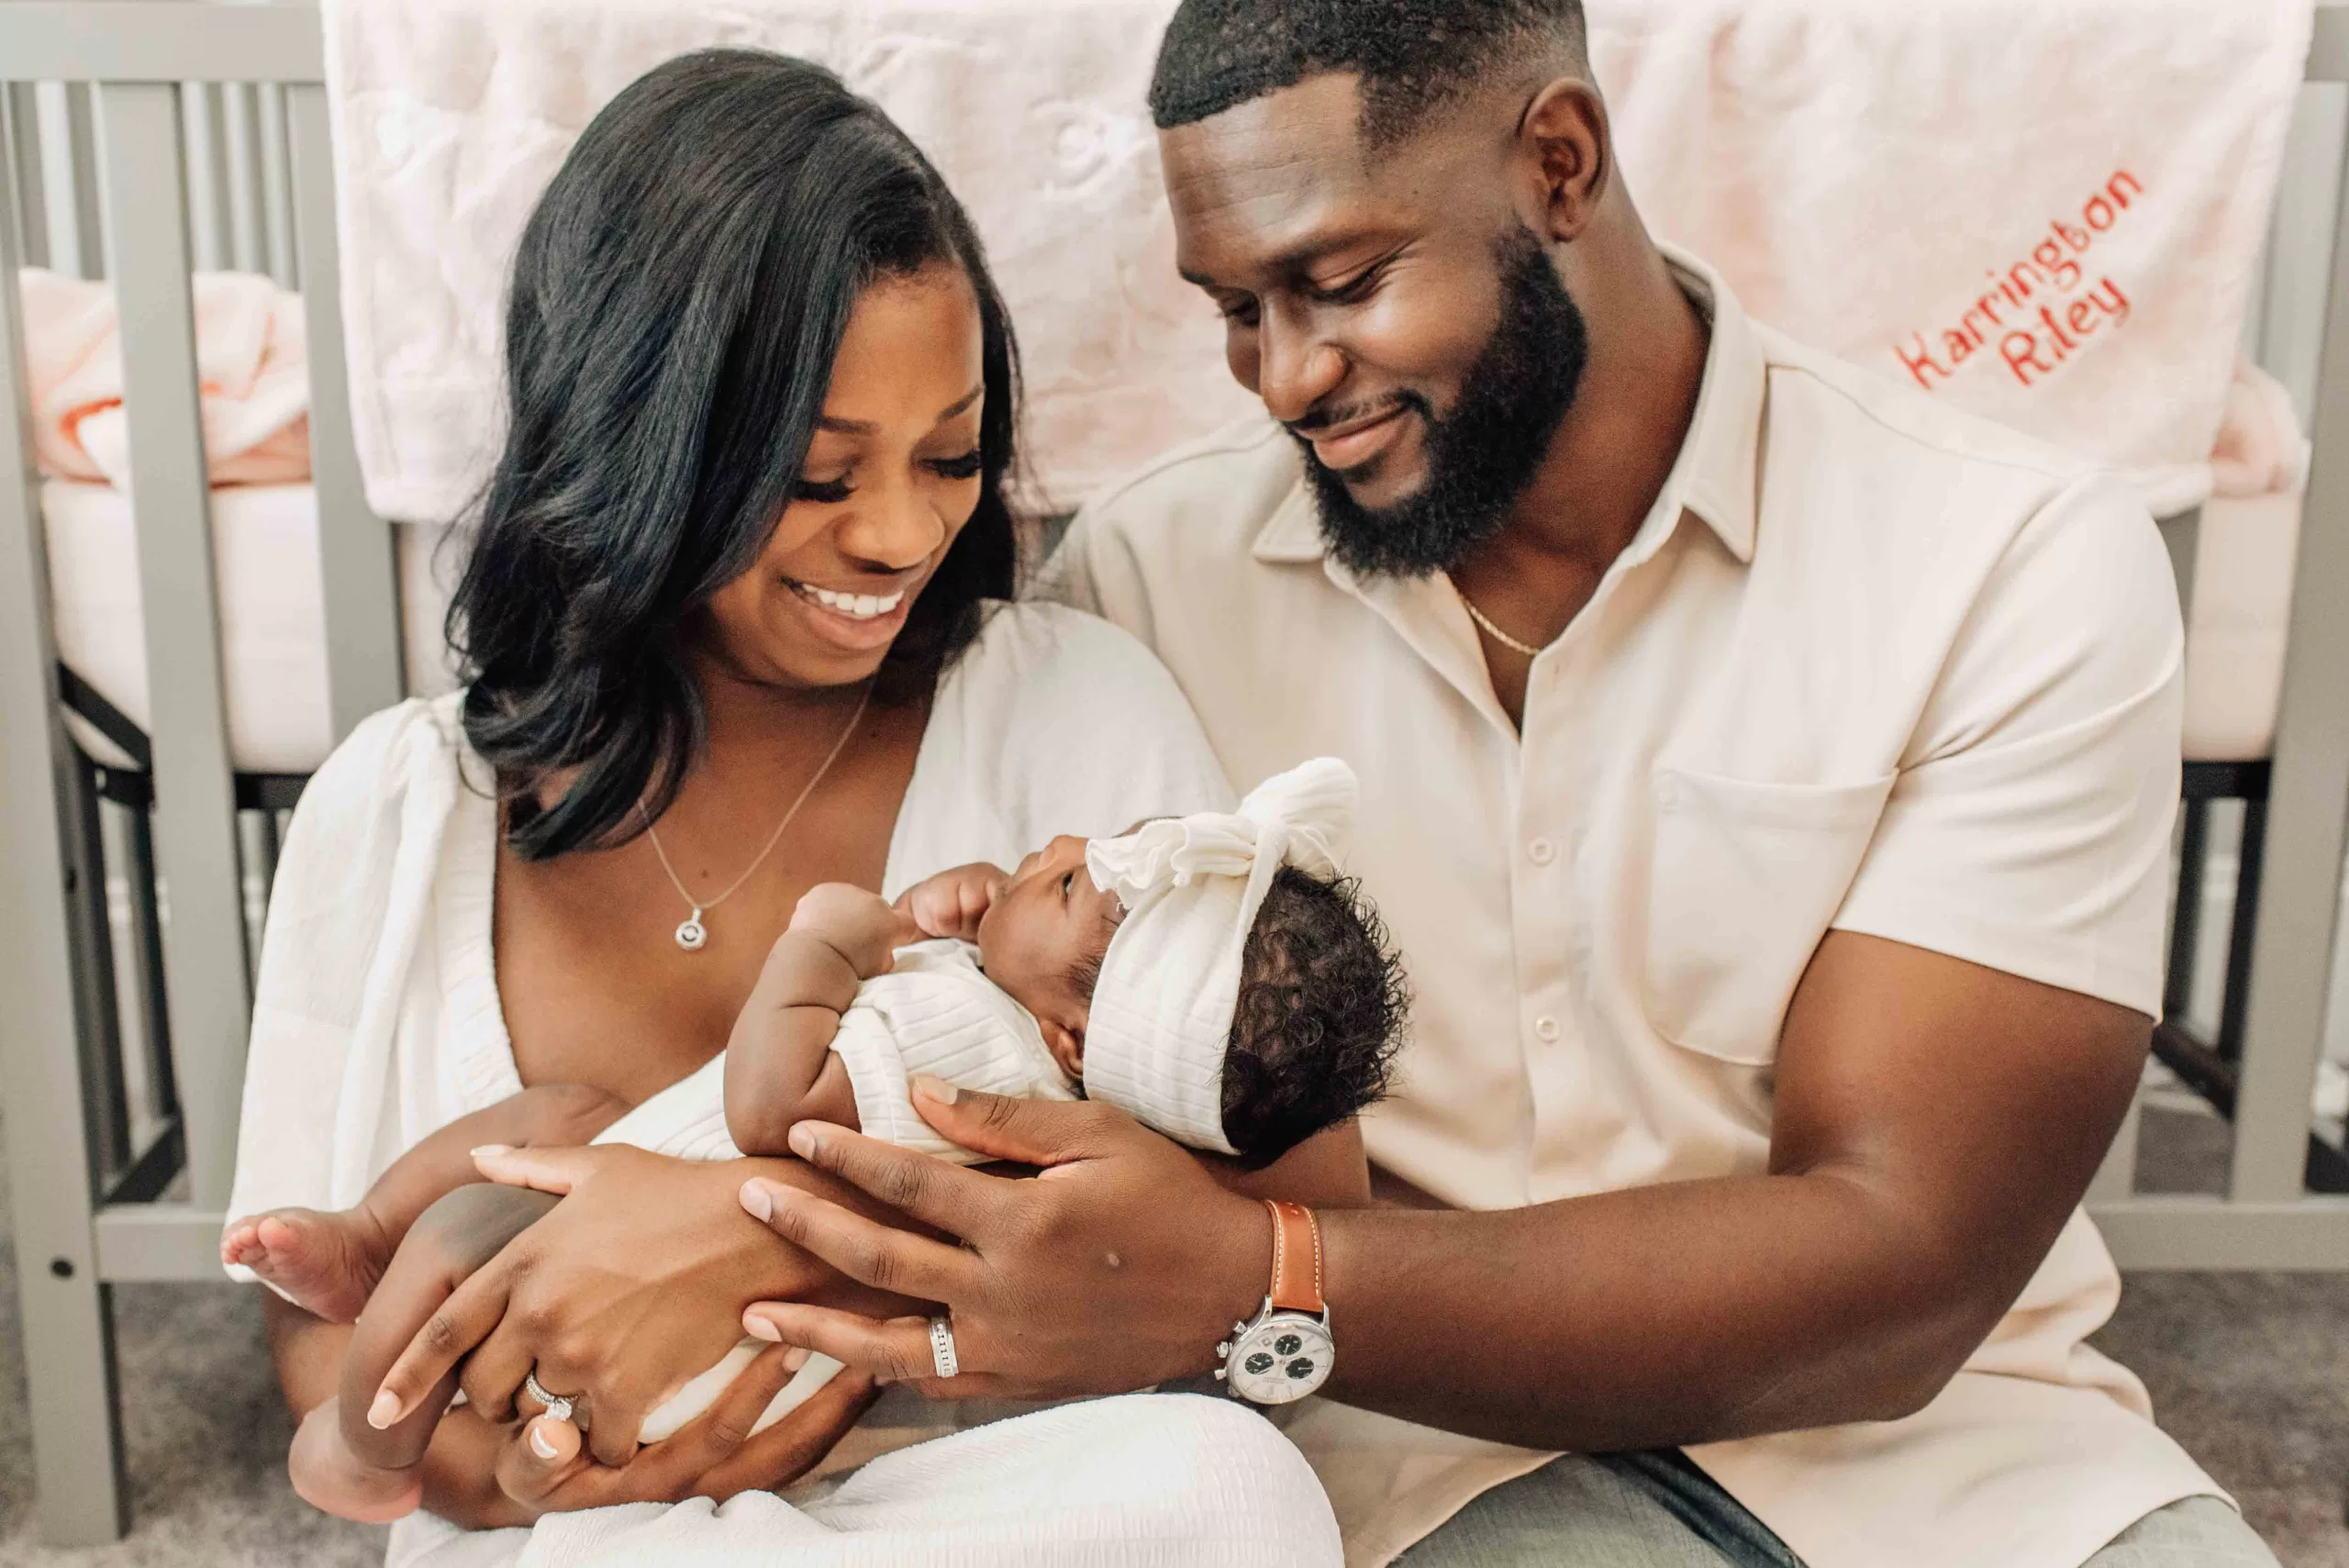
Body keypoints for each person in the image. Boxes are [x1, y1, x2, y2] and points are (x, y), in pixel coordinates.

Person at [369, 4, 2277, 1566]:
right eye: (1230, 309)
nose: (1284, 377)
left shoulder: (2006, 561)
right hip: (1437, 1474)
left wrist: (1251, 1270)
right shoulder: (1143, 581)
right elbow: (968, 1049)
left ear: (1556, 162)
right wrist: (706, 1206)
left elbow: (1899, 1263)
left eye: (1340, 280)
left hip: (1974, 1468)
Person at [223, 46, 1342, 1567]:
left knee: (1236, 1488)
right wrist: (540, 1479)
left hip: (973, 1493)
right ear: (643, 447)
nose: (900, 534)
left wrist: (759, 1237)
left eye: (950, 456)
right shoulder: (395, 811)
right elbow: (324, 1371)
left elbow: (1292, 1197)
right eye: (820, 478)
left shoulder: (1071, 708)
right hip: (580, 1535)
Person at [228, 762, 1401, 1521]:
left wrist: (829, 943)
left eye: (1062, 882)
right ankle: (371, 1249)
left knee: (472, 1218)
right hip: (664, 1295)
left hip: (652, 1318)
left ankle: (361, 1444)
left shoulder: (966, 1037)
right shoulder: (1073, 1076)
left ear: (1071, 1031)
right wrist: (982, 917)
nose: (1047, 841)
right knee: (566, 1116)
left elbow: (773, 1110)